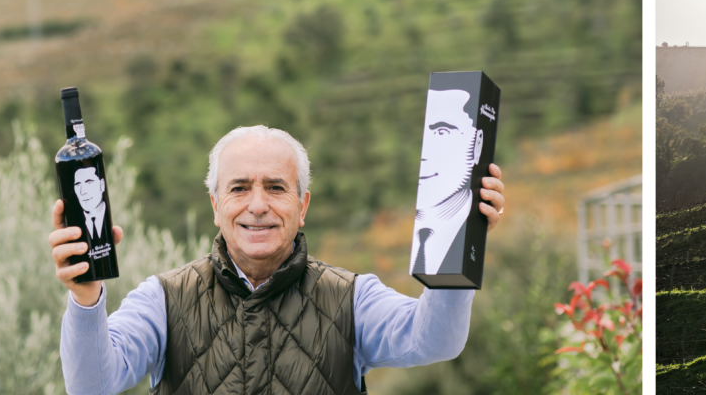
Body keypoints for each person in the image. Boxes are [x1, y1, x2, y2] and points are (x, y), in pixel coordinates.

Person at [48, 125, 506, 395]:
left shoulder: (352, 298)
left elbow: (437, 340)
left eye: (276, 187)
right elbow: (92, 385)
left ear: (303, 205)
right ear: (215, 203)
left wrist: (458, 235)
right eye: (240, 187)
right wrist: (87, 298)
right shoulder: (162, 300)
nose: (258, 205)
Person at [411, 87, 485, 275]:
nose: (425, 153)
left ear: (476, 145)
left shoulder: (471, 230)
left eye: (442, 132)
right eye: (423, 136)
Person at [72, 166, 113, 260]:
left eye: (89, 182)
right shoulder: (75, 222)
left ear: (102, 185)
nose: (82, 191)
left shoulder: (115, 217)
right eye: (78, 184)